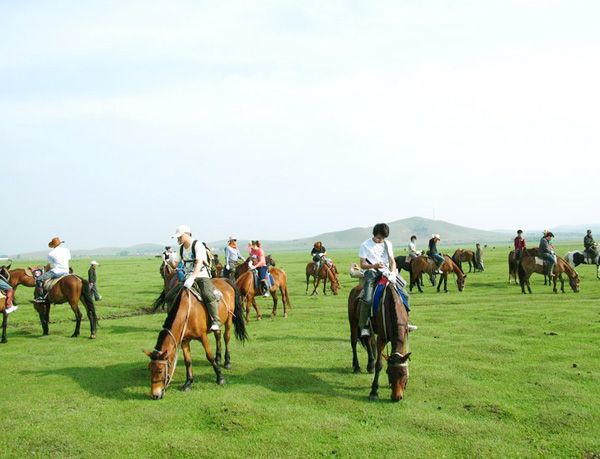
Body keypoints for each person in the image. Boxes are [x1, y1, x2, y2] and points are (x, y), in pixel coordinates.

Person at [172, 225, 220, 331]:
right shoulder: (180, 248)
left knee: (207, 294)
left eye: (180, 236)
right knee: (176, 294)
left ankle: (216, 321)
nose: (178, 239)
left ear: (187, 234)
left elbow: (199, 263)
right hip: (187, 277)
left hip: (201, 275)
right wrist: (171, 261)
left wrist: (192, 277)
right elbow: (175, 264)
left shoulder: (197, 245)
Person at [34, 237, 71, 302]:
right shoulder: (66, 250)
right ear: (60, 244)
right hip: (66, 271)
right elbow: (67, 260)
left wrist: (46, 270)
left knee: (39, 279)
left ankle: (40, 297)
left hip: (56, 272)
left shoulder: (51, 253)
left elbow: (49, 266)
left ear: (53, 245)